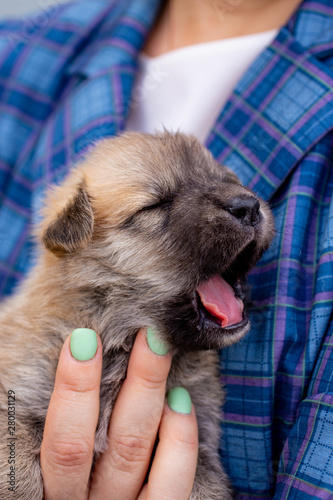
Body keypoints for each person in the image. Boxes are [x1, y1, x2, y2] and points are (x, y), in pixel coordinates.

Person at [0, 0, 333, 498]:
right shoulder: (17, 54)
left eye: (225, 182)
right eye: (157, 206)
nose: (240, 203)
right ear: (75, 236)